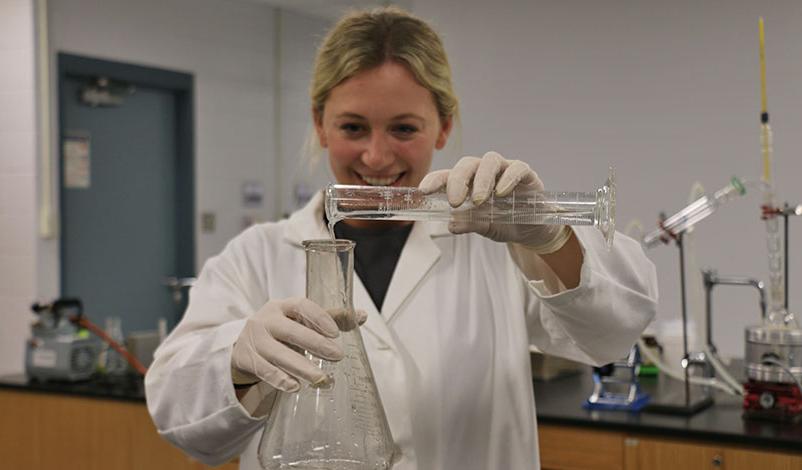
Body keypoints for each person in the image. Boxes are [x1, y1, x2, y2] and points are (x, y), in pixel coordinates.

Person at [145, 7, 658, 470]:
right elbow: (180, 419)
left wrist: (549, 239)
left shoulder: (495, 245)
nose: (375, 157)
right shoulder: (256, 256)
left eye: (404, 129)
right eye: (352, 127)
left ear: (443, 127)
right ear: (319, 125)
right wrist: (237, 358)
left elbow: (615, 331)